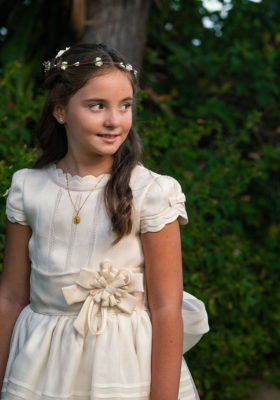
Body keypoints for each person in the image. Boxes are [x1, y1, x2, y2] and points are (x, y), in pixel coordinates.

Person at [0, 43, 209, 400]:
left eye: (125, 106)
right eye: (97, 106)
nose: (115, 120)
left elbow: (166, 307)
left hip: (125, 368)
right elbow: (11, 295)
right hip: (41, 368)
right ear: (60, 111)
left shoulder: (151, 192)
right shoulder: (28, 188)